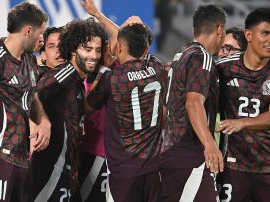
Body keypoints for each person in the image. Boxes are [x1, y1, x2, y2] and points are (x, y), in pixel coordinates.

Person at [0, 2, 51, 202]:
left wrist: (43, 120)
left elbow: (31, 97)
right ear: (28, 31)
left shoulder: (30, 61)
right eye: (41, 33)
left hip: (22, 162)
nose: (42, 39)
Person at [86, 20, 166, 201]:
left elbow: (88, 105)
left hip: (124, 172)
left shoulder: (112, 78)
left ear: (119, 47)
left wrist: (104, 67)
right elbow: (137, 43)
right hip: (154, 169)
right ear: (146, 48)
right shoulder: (157, 68)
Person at [32, 18, 107, 202]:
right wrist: (41, 122)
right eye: (87, 49)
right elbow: (29, 95)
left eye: (97, 50)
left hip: (66, 172)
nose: (94, 56)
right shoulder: (65, 73)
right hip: (49, 169)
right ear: (73, 50)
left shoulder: (77, 82)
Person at [160, 5, 226, 202]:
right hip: (190, 154)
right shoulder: (202, 57)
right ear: (219, 29)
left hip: (170, 151)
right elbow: (193, 103)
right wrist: (209, 144)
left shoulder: (181, 55)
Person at [216, 8, 270, 202]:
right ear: (248, 35)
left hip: (266, 168)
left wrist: (242, 123)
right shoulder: (223, 68)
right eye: (265, 33)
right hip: (232, 167)